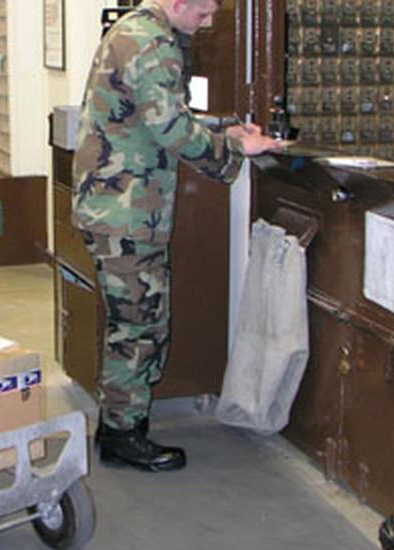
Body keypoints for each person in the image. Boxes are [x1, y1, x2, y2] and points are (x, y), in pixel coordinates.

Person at [72, 0, 282, 473]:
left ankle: (115, 424)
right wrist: (233, 150)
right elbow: (169, 127)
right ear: (178, 3)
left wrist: (224, 126)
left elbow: (154, 112)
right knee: (141, 325)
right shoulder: (153, 41)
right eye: (204, 13)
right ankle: (126, 435)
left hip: (112, 207)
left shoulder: (134, 30)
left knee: (130, 320)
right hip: (125, 212)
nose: (207, 23)